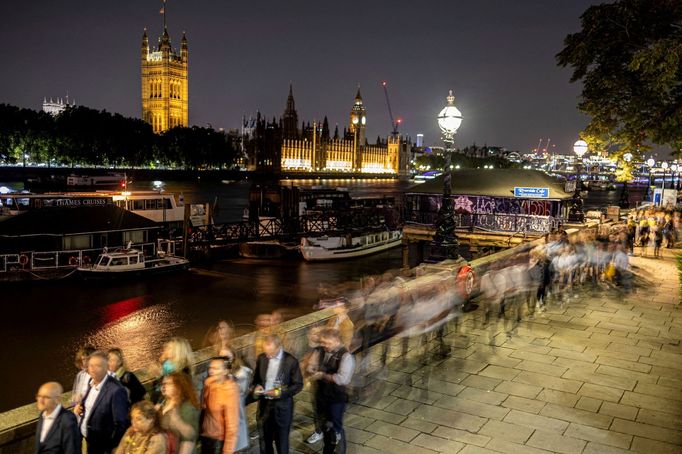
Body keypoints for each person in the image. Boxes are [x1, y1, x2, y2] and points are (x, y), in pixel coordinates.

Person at [249, 335, 303, 454]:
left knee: (282, 443)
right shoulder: (262, 358)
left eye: (271, 353)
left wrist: (278, 393)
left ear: (279, 347)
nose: (267, 356)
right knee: (265, 441)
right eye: (266, 352)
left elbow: (298, 385)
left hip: (282, 408)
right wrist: (256, 386)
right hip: (264, 406)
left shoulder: (291, 361)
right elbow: (256, 379)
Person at [73, 351, 130, 454]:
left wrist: (109, 447)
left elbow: (121, 424)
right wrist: (80, 407)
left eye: (98, 366)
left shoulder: (116, 390)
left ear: (106, 367)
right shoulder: (91, 382)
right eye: (91, 365)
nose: (92, 369)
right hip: (89, 440)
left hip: (102, 446)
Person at [308, 329, 354, 454]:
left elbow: (342, 379)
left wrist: (322, 375)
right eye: (323, 343)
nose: (325, 346)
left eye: (328, 343)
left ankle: (339, 448)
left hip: (336, 397)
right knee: (322, 421)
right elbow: (310, 365)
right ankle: (326, 443)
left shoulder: (346, 356)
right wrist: (312, 369)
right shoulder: (319, 350)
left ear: (337, 341)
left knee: (335, 424)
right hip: (321, 395)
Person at [200, 357, 240, 454]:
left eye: (216, 368)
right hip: (206, 436)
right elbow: (203, 407)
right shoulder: (209, 384)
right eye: (210, 368)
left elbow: (232, 426)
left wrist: (227, 451)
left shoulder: (229, 390)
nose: (211, 371)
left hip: (218, 441)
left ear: (225, 371)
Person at [158, 372, 200, 454]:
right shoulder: (164, 402)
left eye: (169, 384)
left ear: (179, 387)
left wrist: (177, 421)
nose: (164, 386)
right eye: (163, 383)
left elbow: (189, 438)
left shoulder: (186, 408)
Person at [35, 382, 81, 454]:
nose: (40, 400)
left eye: (46, 397)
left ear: (57, 399)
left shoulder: (67, 420)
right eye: (39, 396)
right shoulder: (42, 415)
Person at [151, 337, 195, 403]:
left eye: (169, 348)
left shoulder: (179, 371)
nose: (165, 349)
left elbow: (168, 390)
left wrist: (159, 376)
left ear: (178, 351)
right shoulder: (169, 365)